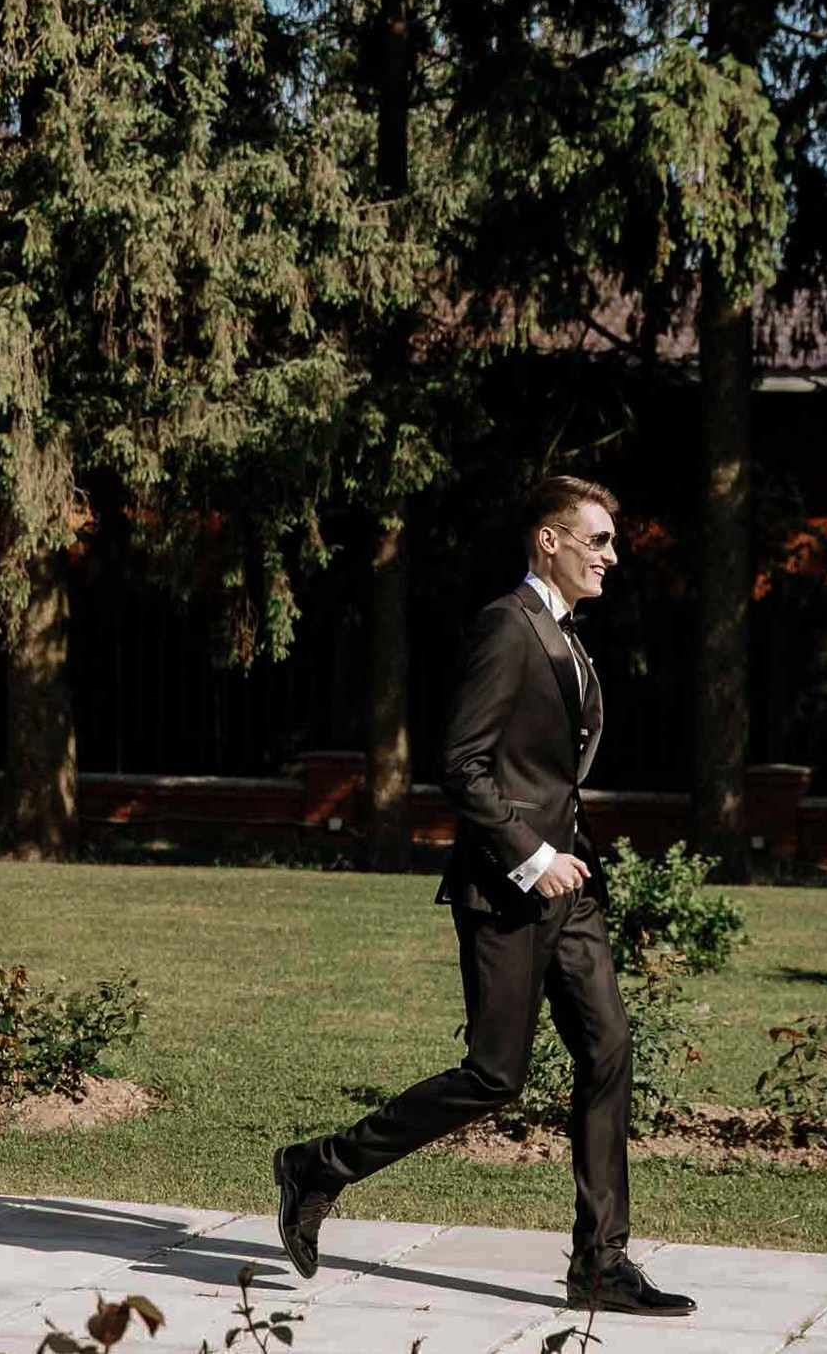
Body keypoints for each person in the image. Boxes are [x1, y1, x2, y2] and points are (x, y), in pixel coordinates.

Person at [272, 475, 695, 1317]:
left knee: (608, 1050)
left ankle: (601, 1262)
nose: (611, 555)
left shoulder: (567, 636)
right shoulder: (510, 626)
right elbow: (461, 764)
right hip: (510, 887)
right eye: (597, 540)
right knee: (494, 1074)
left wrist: (561, 856)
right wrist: (531, 854)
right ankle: (318, 1164)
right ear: (550, 541)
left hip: (570, 888)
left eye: (612, 542)